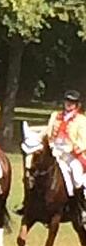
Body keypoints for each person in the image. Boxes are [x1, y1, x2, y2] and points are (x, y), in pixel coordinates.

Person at [46, 90, 86, 225]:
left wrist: (72, 148)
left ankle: (81, 208)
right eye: (67, 101)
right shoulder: (55, 116)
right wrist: (51, 145)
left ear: (77, 105)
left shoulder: (81, 120)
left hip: (71, 154)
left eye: (72, 102)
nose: (69, 104)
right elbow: (49, 133)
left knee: (77, 176)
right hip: (55, 151)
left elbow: (83, 141)